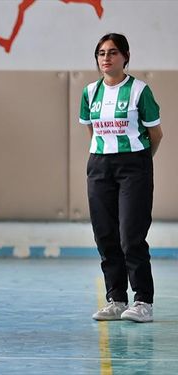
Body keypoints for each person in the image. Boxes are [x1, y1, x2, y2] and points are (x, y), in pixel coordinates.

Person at [80, 33, 163, 323]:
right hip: (100, 166)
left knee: (131, 236)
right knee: (105, 234)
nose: (106, 58)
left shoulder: (140, 90)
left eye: (113, 52)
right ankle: (116, 299)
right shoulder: (89, 92)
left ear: (125, 56)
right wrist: (105, 155)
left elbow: (156, 134)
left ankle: (143, 301)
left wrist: (139, 163)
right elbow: (92, 131)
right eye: (101, 53)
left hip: (134, 166)